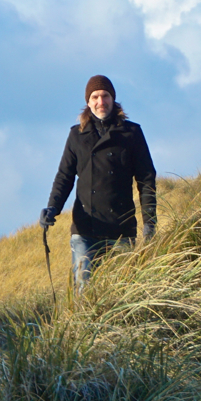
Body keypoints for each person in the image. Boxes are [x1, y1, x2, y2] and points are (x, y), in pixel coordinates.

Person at [40, 75, 156, 290]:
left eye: (105, 96)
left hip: (121, 228)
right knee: (84, 287)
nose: (101, 102)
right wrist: (52, 208)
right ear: (88, 101)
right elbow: (64, 176)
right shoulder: (77, 135)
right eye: (95, 97)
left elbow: (146, 179)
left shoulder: (131, 133)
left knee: (122, 290)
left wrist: (149, 222)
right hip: (85, 228)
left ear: (113, 99)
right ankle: (81, 324)